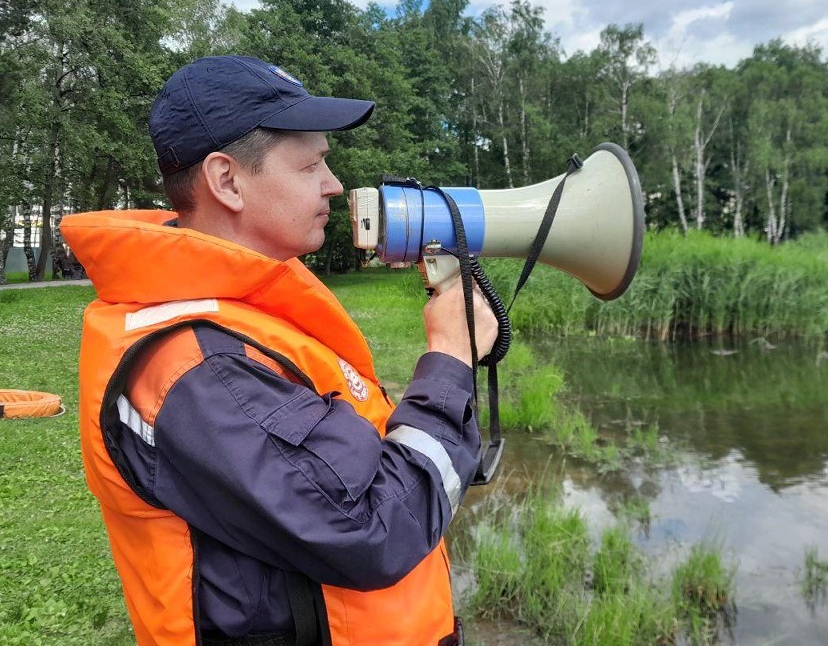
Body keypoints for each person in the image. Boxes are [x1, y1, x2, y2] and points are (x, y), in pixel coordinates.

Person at [61, 55, 499, 646]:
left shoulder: (241, 314)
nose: (334, 184)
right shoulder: (195, 369)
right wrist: (449, 358)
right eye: (311, 163)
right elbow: (375, 530)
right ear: (227, 181)